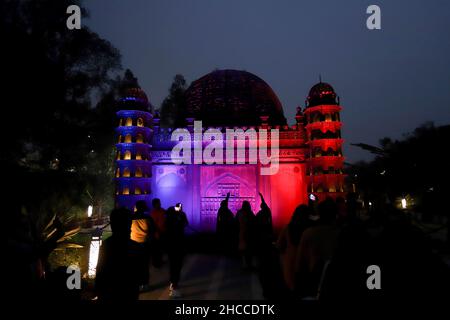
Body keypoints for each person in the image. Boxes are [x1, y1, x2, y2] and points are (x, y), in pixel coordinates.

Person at [295, 198, 340, 298]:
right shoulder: (341, 234)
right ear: (335, 214)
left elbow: (299, 263)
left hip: (314, 280)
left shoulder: (309, 233)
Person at [96, 208, 141, 301]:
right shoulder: (135, 247)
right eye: (129, 223)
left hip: (108, 293)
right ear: (129, 224)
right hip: (129, 293)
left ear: (112, 225)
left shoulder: (106, 245)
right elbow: (140, 276)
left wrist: (98, 290)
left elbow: (100, 271)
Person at [277, 205, 314, 292]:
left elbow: (279, 245)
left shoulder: (288, 228)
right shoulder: (311, 229)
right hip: (307, 262)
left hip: (291, 263)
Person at [165, 203, 188, 298]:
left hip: (172, 247)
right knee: (176, 266)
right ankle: (174, 288)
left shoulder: (169, 221)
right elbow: (184, 224)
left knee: (173, 266)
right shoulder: (175, 220)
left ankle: (173, 284)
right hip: (177, 246)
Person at [130, 200, 153, 291]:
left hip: (133, 244)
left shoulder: (131, 217)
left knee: (135, 265)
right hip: (145, 244)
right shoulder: (148, 218)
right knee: (145, 265)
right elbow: (152, 230)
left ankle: (137, 284)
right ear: (144, 208)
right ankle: (145, 284)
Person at [235, 200, 255, 270]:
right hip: (249, 233)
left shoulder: (239, 212)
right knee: (248, 249)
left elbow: (236, 221)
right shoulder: (249, 212)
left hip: (241, 232)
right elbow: (254, 221)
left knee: (243, 249)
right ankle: (248, 264)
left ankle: (244, 264)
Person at [149, 198, 166, 268]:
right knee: (156, 249)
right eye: (158, 203)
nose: (160, 204)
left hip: (162, 232)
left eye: (159, 203)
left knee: (160, 248)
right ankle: (156, 263)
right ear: (154, 205)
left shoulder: (163, 211)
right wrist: (156, 233)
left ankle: (159, 261)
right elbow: (153, 225)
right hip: (157, 233)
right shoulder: (153, 213)